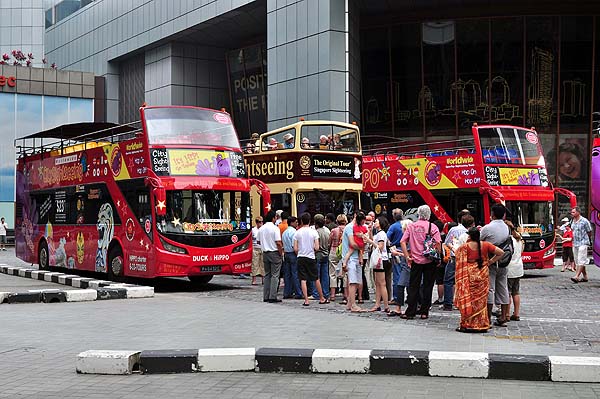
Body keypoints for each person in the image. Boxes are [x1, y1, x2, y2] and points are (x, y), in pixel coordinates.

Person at [454, 227, 504, 332]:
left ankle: (468, 324)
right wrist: (490, 261)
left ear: (470, 236)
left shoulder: (464, 247)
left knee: (469, 299)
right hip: (483, 274)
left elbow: (456, 255)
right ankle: (481, 324)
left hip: (469, 275)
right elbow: (501, 252)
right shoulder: (485, 245)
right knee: (481, 301)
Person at [400, 205, 441, 320]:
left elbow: (402, 241)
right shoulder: (432, 227)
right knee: (428, 286)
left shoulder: (411, 226)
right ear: (429, 214)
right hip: (429, 260)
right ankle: (424, 312)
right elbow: (438, 243)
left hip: (415, 260)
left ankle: (411, 311)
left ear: (418, 214)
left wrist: (407, 256)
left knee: (414, 286)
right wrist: (438, 258)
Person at [480, 203, 511, 327]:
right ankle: (504, 316)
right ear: (503, 215)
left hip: (490, 261)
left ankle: (487, 318)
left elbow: (480, 241)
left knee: (490, 289)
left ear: (492, 214)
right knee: (503, 288)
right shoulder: (506, 227)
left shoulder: (487, 228)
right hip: (504, 261)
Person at [442, 210, 472, 311]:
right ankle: (462, 302)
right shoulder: (472, 231)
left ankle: (448, 303)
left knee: (448, 280)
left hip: (454, 257)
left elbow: (447, 242)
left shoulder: (454, 229)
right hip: (467, 258)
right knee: (464, 280)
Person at [294, 212, 327, 306]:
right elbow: (317, 247)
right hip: (311, 257)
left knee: (303, 279)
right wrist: (312, 250)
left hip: (301, 257)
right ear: (310, 221)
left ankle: (306, 300)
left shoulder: (297, 232)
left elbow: (295, 248)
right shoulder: (314, 232)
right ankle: (321, 298)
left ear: (301, 221)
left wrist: (299, 253)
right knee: (316, 278)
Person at [258, 210, 283, 303]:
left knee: (267, 275)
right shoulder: (275, 228)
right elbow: (278, 243)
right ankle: (273, 296)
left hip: (265, 253)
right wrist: (281, 253)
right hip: (274, 252)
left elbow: (258, 241)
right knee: (275, 275)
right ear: (273, 218)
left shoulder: (261, 228)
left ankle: (266, 295)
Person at [370, 216, 390, 313]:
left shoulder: (381, 234)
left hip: (381, 259)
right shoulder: (378, 233)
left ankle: (386, 305)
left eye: (376, 221)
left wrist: (370, 241)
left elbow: (380, 247)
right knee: (378, 283)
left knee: (381, 283)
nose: (374, 222)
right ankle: (378, 304)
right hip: (380, 259)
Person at [505, 220, 524, 322]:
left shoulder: (508, 240)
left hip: (509, 268)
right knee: (516, 292)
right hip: (518, 267)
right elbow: (521, 252)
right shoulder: (519, 239)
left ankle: (507, 314)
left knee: (507, 292)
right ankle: (516, 313)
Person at [570, 206, 593, 283]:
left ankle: (576, 276)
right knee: (577, 260)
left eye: (573, 212)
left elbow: (589, 231)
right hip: (575, 242)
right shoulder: (572, 221)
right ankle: (585, 276)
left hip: (583, 242)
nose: (572, 213)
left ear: (578, 212)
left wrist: (588, 240)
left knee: (581, 259)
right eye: (572, 212)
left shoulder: (584, 221)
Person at [328, 214, 347, 302]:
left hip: (334, 250)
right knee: (345, 273)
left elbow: (329, 242)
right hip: (344, 252)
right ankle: (346, 294)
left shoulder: (333, 230)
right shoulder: (348, 229)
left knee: (332, 273)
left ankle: (332, 295)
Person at [282, 216, 302, 299]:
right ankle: (298, 292)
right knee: (295, 273)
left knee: (287, 274)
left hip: (286, 253)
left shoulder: (284, 232)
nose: (297, 224)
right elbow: (294, 245)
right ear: (292, 223)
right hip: (293, 254)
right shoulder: (294, 232)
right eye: (296, 222)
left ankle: (287, 292)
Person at [313, 214, 331, 301]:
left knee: (316, 276)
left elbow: (316, 245)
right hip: (326, 254)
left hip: (318, 254)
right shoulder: (327, 231)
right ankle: (326, 292)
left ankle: (316, 293)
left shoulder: (316, 232)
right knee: (325, 275)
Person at [251, 217, 264, 285]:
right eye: (259, 222)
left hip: (262, 248)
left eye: (261, 222)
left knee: (263, 264)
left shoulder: (263, 229)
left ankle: (263, 279)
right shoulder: (253, 230)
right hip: (255, 248)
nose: (261, 223)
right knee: (254, 264)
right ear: (256, 222)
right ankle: (254, 279)